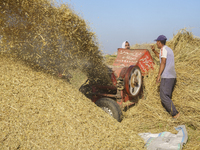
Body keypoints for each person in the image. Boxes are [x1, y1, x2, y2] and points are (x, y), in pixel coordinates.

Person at [151, 35, 180, 119]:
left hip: (166, 76)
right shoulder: (168, 49)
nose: (156, 43)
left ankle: (175, 114)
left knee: (164, 96)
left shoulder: (163, 49)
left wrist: (158, 75)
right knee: (167, 96)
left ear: (160, 42)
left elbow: (163, 62)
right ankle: (170, 113)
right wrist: (154, 51)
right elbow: (160, 57)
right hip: (172, 76)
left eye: (157, 42)